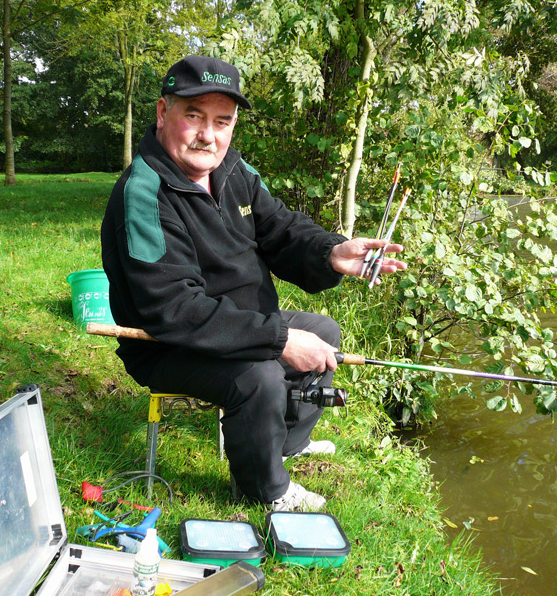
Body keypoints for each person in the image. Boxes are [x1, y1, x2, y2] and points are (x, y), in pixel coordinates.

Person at [101, 55, 406, 511]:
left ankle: (283, 443)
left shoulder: (234, 170)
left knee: (323, 333)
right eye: (194, 116)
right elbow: (173, 309)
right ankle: (267, 490)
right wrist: (278, 339)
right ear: (163, 113)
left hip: (242, 320)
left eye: (222, 121)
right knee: (259, 376)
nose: (209, 135)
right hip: (167, 342)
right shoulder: (143, 194)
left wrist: (331, 252)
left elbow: (281, 227)